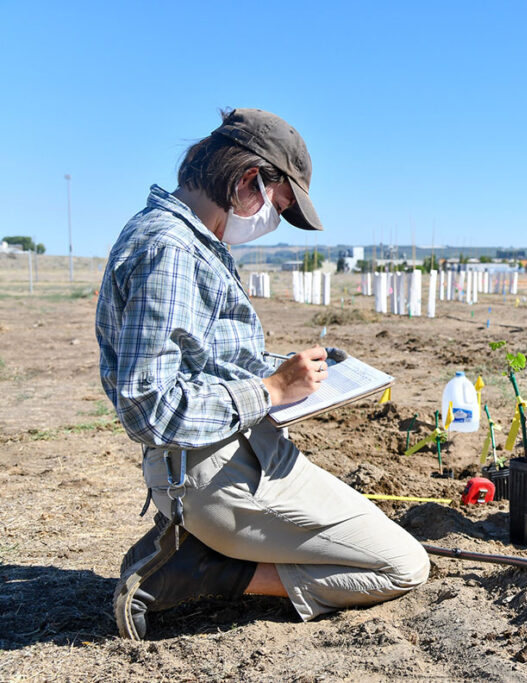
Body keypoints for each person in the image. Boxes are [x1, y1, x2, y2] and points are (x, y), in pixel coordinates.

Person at [97, 108, 429, 640]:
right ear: (249, 179)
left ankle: (205, 543)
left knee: (378, 541)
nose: (274, 219)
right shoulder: (171, 251)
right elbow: (149, 405)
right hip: (216, 471)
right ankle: (209, 569)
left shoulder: (195, 241)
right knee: (402, 566)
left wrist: (281, 379)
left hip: (241, 455)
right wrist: (271, 389)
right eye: (279, 204)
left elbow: (200, 362)